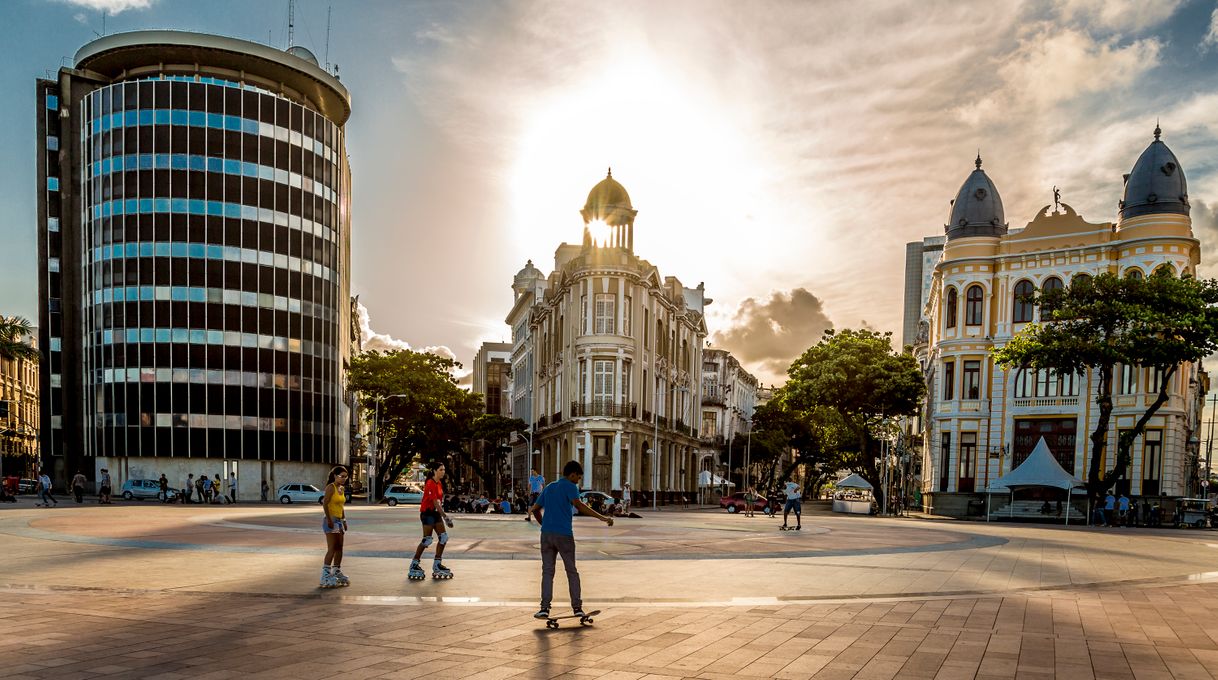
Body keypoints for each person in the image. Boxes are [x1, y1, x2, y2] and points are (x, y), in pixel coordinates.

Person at [527, 460, 613, 621]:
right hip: (564, 535)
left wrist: (544, 525)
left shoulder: (550, 487)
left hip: (546, 535)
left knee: (547, 571)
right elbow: (579, 505)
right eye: (578, 478)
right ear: (572, 474)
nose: (578, 481)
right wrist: (602, 518)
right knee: (571, 571)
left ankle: (544, 608)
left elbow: (535, 510)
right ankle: (577, 608)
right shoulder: (570, 486)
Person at [408, 464, 454, 580]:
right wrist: (445, 517)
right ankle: (414, 563)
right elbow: (435, 502)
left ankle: (437, 564)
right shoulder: (430, 483)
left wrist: (442, 515)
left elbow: (439, 501)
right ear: (434, 471)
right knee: (427, 540)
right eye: (441, 470)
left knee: (443, 538)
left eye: (444, 469)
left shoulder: (439, 483)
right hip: (427, 514)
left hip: (435, 514)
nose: (443, 472)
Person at [320, 466, 350, 588]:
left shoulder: (341, 488)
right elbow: (325, 504)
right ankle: (325, 575)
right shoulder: (330, 487)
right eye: (341, 476)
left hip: (338, 521)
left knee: (340, 547)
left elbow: (341, 506)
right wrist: (329, 519)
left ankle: (336, 571)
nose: (343, 479)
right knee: (332, 548)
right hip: (330, 520)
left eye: (345, 477)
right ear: (335, 476)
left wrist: (344, 520)